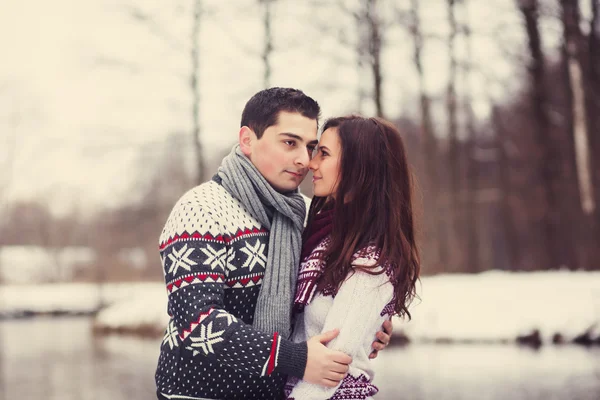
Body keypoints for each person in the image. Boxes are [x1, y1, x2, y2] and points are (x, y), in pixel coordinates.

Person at [154, 88, 392, 400]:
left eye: (310, 147)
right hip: (198, 394)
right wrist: (295, 359)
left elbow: (325, 295)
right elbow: (198, 323)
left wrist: (367, 324)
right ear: (247, 140)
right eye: (289, 142)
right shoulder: (203, 209)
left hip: (275, 393)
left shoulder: (305, 214)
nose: (304, 160)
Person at [285, 116, 421, 399]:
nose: (311, 164)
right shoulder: (322, 237)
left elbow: (331, 372)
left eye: (324, 154)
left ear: (358, 168)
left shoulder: (370, 263)